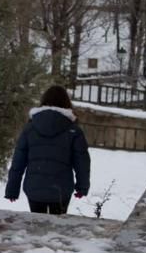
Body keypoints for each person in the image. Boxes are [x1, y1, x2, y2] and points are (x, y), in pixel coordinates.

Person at [5, 85, 91, 214]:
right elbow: (82, 163)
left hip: (34, 188)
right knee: (57, 228)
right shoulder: (73, 131)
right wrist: (82, 187)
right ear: (66, 102)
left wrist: (12, 189)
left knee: (37, 225)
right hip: (61, 189)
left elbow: (18, 162)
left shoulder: (30, 128)